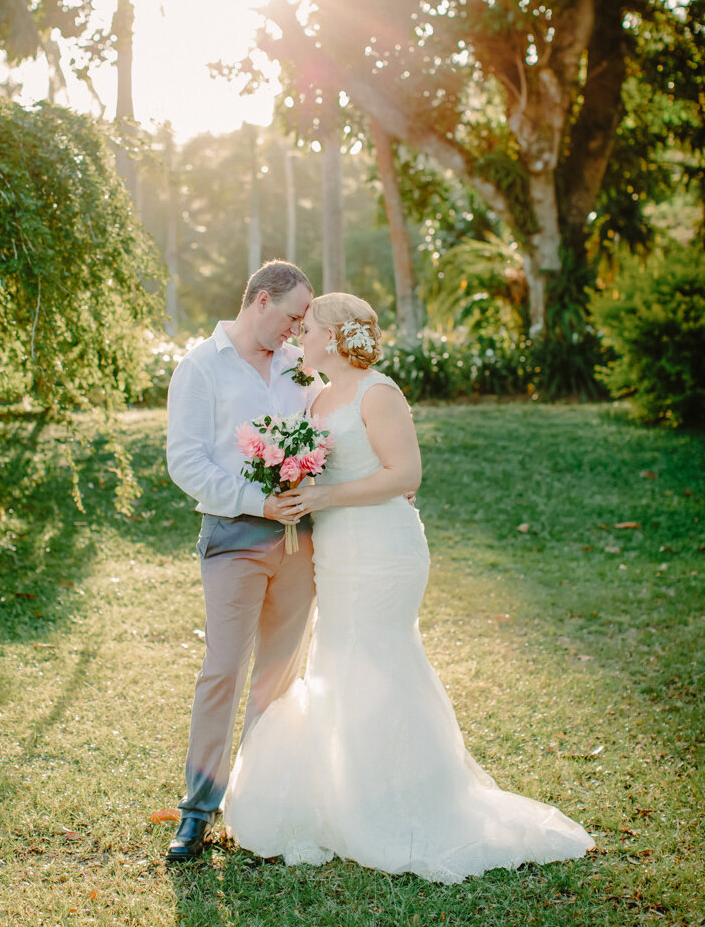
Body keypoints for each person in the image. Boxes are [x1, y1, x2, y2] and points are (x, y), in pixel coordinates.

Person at [223, 292, 595, 882]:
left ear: (337, 336)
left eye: (310, 328)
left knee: (381, 657)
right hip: (338, 550)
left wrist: (323, 495)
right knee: (340, 660)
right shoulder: (319, 398)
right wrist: (294, 488)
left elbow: (405, 475)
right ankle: (349, 792)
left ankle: (402, 801)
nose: (301, 338)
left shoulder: (380, 392)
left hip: (385, 548)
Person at [164, 260, 322, 863]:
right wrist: (259, 498)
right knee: (224, 671)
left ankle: (259, 804)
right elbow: (187, 462)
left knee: (278, 676)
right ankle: (198, 811)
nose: (297, 328)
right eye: (292, 315)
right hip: (233, 536)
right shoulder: (200, 367)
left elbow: (325, 432)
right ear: (260, 300)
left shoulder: (298, 368)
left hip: (298, 542)